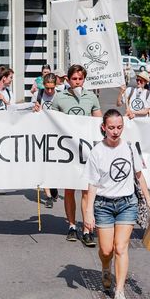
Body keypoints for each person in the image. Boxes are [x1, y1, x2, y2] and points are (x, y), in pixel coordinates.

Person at [84, 109, 150, 299]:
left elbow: (139, 176)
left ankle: (119, 291)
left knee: (121, 247)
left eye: (119, 127)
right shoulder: (97, 152)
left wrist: (149, 201)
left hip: (127, 203)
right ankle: (105, 267)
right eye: (111, 128)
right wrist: (88, 213)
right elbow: (92, 185)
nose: (115, 131)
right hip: (103, 205)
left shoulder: (129, 148)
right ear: (103, 128)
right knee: (106, 249)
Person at [49, 64, 102, 247]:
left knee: (87, 191)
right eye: (74, 79)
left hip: (87, 153)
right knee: (69, 190)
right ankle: (72, 225)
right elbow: (50, 122)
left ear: (84, 80)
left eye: (80, 79)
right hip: (68, 153)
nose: (77, 82)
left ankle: (87, 229)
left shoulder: (91, 97)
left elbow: (99, 123)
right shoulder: (60, 97)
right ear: (68, 80)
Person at [33, 73, 60, 207]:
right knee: (43, 165)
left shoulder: (60, 95)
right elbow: (31, 113)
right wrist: (35, 110)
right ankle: (48, 195)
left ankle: (53, 184)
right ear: (44, 85)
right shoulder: (38, 95)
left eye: (52, 88)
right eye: (47, 88)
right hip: (42, 135)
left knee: (55, 165)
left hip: (57, 135)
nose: (49, 91)